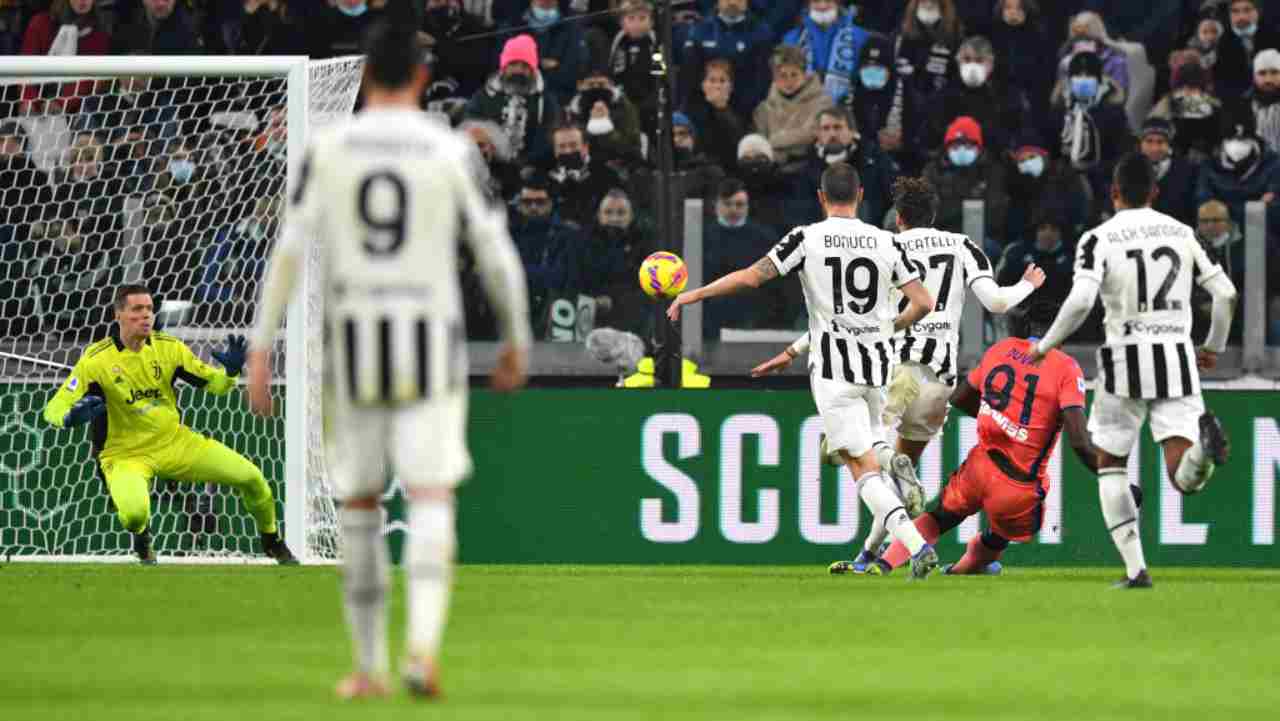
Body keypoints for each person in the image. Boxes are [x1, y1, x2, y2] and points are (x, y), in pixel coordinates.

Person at [246, 21, 531, 699]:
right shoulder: (448, 146)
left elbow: (288, 250)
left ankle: (368, 665)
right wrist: (517, 333)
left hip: (353, 340)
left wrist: (261, 345)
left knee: (361, 501)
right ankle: (423, 651)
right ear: (423, 79)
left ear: (366, 76)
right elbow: (493, 248)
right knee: (431, 493)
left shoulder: (328, 145)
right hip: (428, 339)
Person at [752, 176, 1045, 570]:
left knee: (860, 457)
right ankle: (869, 557)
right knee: (890, 476)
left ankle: (876, 464)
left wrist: (794, 350)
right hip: (938, 382)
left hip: (892, 371)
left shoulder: (884, 245)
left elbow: (851, 318)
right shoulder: (962, 246)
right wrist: (1026, 285)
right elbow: (996, 302)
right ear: (935, 214)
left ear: (900, 217)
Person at [667, 163, 943, 579]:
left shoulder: (806, 238)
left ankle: (917, 546)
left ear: (820, 197)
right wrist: (887, 327)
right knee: (869, 446)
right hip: (878, 368)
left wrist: (695, 295)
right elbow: (923, 303)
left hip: (834, 372)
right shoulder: (886, 242)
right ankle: (891, 462)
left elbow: (751, 278)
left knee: (858, 466)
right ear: (861, 195)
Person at [1029, 153, 1238, 589]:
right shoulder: (1182, 232)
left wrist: (1046, 344)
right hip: (1177, 357)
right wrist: (1213, 347)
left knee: (1110, 463)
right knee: (1183, 477)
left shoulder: (1099, 238)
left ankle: (1135, 569)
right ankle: (1202, 451)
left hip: (1125, 357)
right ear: (1155, 192)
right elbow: (1226, 293)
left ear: (1114, 192)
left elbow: (1083, 300)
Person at [40, 284, 294, 566]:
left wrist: (231, 372)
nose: (146, 315)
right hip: (125, 455)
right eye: (137, 309)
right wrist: (68, 417)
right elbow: (53, 408)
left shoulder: (169, 348)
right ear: (118, 315)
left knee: (252, 478)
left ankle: (272, 540)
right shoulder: (96, 359)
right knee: (135, 513)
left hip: (175, 443)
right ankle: (142, 536)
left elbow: (216, 385)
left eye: (149, 309)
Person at [850, 300, 1101, 576]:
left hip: (979, 466)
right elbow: (1079, 440)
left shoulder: (1001, 350)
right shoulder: (1066, 367)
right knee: (1003, 532)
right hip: (1018, 483)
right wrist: (1114, 478)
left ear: (1026, 326)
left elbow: (960, 397)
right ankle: (962, 569)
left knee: (938, 518)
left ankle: (883, 565)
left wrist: (997, 417)